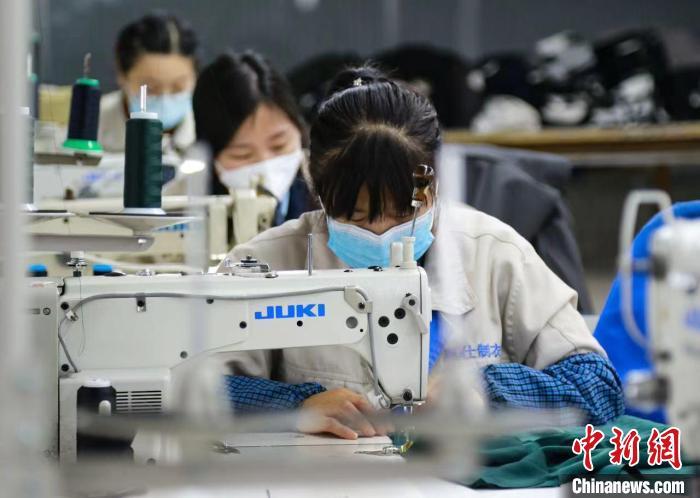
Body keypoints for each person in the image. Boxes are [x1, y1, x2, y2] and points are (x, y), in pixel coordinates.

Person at [220, 67, 624, 440]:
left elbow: (598, 387)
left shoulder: (495, 254)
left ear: (436, 185)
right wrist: (293, 406)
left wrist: (485, 390)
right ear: (319, 193)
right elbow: (191, 390)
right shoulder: (267, 263)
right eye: (356, 217)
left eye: (403, 214)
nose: (383, 233)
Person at [187, 51, 314, 225]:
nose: (266, 165)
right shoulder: (180, 211)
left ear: (299, 130)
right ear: (210, 156)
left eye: (279, 145)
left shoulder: (331, 199)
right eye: (242, 155)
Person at [98, 12, 198, 157]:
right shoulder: (92, 125)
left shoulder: (213, 130)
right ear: (122, 75)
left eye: (178, 87)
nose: (165, 99)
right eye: (150, 88)